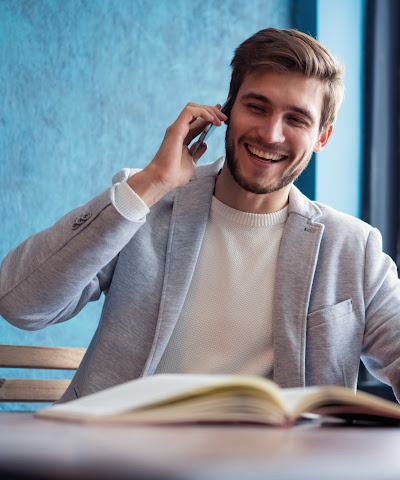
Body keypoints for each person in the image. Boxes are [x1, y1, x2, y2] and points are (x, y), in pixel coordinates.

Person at [1, 28, 400, 403]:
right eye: (257, 107)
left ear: (322, 138)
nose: (271, 134)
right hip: (116, 457)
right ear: (223, 113)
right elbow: (20, 303)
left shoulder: (354, 248)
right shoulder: (143, 206)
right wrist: (151, 183)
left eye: (296, 119)